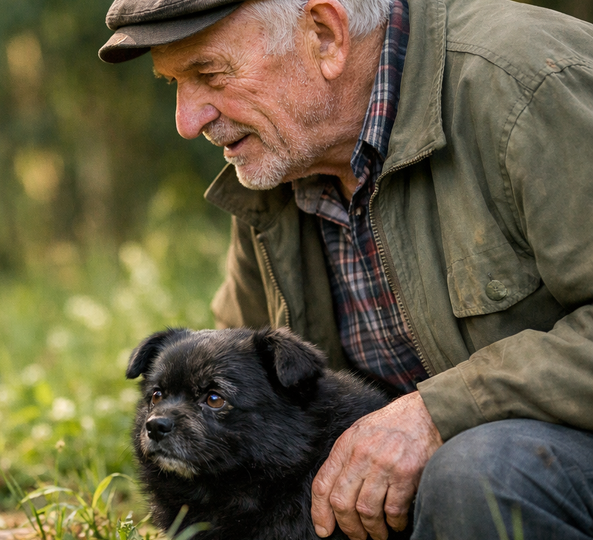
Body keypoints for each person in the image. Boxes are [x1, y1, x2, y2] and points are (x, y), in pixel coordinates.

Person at [99, 0, 593, 538]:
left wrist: (436, 413)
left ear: (325, 35)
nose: (187, 121)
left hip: (541, 453)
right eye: (173, 84)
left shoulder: (529, 86)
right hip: (417, 496)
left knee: (475, 475)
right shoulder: (279, 167)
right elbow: (233, 394)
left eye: (209, 74)